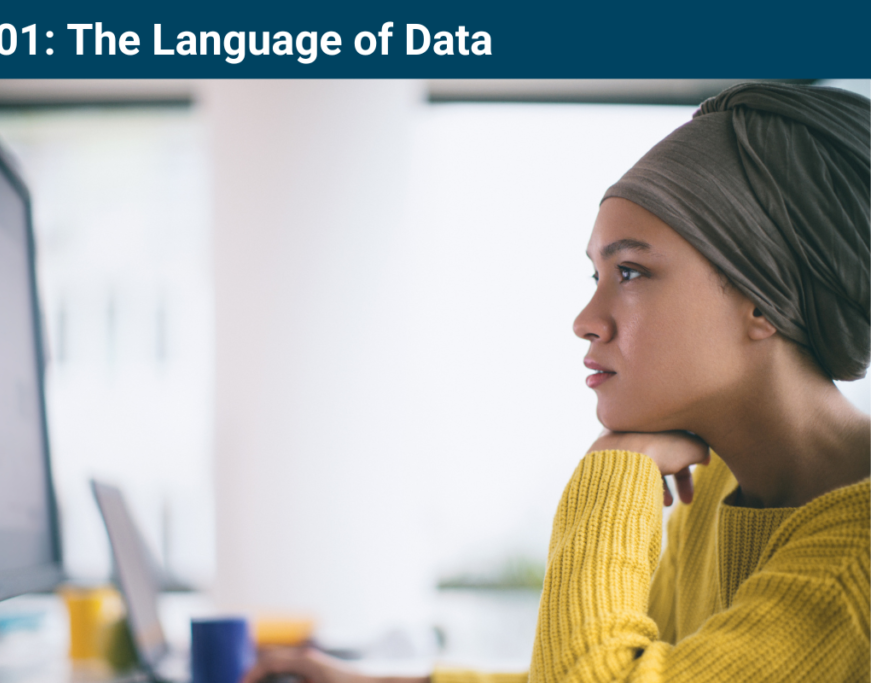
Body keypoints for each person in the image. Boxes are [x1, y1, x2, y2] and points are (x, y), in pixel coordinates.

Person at [239, 82, 870, 682]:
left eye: (630, 272)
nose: (585, 322)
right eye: (594, 278)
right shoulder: (720, 487)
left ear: (764, 298)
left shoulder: (856, 564)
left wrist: (614, 467)